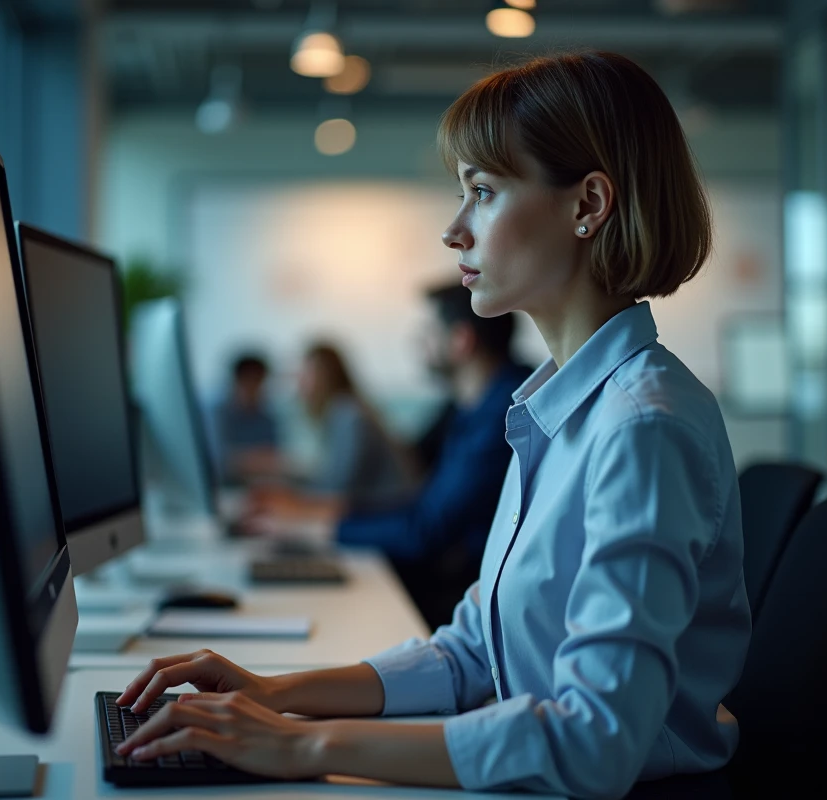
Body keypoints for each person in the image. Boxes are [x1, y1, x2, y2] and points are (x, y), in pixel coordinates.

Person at [115, 51, 750, 798]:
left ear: (588, 205)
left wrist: (302, 746)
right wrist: (274, 693)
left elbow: (593, 742)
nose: (454, 231)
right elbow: (471, 654)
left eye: (483, 192)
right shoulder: (554, 407)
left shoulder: (643, 428)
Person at [337, 283, 532, 628]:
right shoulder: (466, 404)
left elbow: (425, 530)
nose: (418, 344)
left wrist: (328, 524)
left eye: (427, 333)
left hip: (477, 606)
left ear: (460, 340)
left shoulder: (505, 413)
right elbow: (412, 469)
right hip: (460, 589)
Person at [250, 343, 412, 521]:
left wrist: (290, 498)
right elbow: (333, 480)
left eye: (305, 374)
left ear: (323, 376)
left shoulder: (348, 415)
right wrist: (288, 475)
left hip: (387, 516)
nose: (298, 383)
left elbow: (340, 490)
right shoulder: (344, 410)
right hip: (382, 511)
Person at [213, 353, 280, 485]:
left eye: (259, 382)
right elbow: (221, 460)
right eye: (250, 381)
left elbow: (273, 458)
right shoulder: (219, 414)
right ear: (237, 381)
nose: (255, 389)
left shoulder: (266, 418)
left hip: (257, 487)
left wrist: (244, 459)